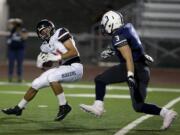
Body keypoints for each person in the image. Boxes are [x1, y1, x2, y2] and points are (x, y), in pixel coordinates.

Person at [80, 11, 177, 130]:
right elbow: (132, 45)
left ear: (111, 24)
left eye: (105, 24)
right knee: (139, 106)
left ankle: (98, 107)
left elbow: (128, 57)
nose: (104, 28)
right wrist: (114, 50)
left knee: (100, 80)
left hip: (132, 67)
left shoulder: (118, 36)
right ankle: (166, 113)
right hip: (143, 69)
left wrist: (130, 74)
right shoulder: (128, 27)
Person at [2, 19, 83, 121]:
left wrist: (57, 57)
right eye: (41, 32)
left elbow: (73, 52)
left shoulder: (60, 32)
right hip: (62, 67)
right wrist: (43, 63)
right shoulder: (44, 46)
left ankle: (64, 106)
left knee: (52, 77)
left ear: (51, 28)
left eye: (45, 30)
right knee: (36, 83)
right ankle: (19, 108)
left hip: (75, 67)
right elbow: (49, 64)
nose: (44, 33)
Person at [7, 18, 28, 82]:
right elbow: (8, 24)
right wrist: (12, 21)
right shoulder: (12, 30)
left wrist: (19, 31)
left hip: (20, 49)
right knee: (11, 63)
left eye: (16, 24)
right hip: (12, 49)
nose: (15, 25)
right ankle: (10, 77)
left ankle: (19, 77)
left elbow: (25, 37)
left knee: (19, 63)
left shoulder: (23, 30)